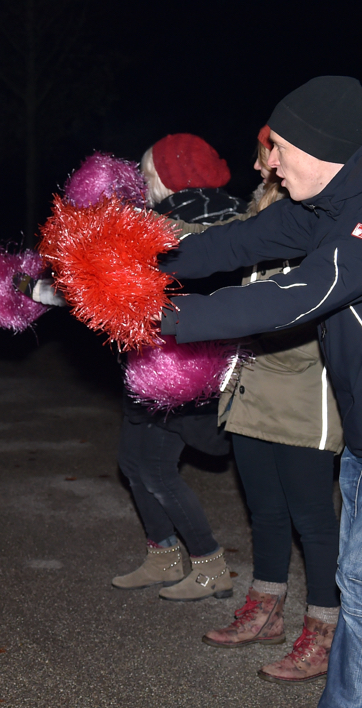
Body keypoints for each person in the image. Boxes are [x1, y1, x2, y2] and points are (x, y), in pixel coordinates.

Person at [155, 76, 362, 708]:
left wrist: (165, 320)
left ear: (323, 149)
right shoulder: (336, 198)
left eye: (278, 149)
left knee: (361, 588)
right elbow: (249, 239)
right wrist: (142, 269)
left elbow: (303, 291)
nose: (265, 165)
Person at [200, 127, 342, 683]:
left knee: (313, 519)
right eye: (263, 160)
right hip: (254, 390)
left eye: (271, 160)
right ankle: (266, 608)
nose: (262, 171)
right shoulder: (259, 222)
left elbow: (307, 313)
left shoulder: (321, 226)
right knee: (264, 508)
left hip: (306, 395)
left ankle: (325, 630)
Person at [110, 134, 246, 601]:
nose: (142, 184)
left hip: (185, 368)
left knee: (156, 468)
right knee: (134, 461)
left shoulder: (190, 228)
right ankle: (163, 556)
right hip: (155, 363)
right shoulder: (160, 224)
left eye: (149, 174)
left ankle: (211, 566)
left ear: (170, 178)